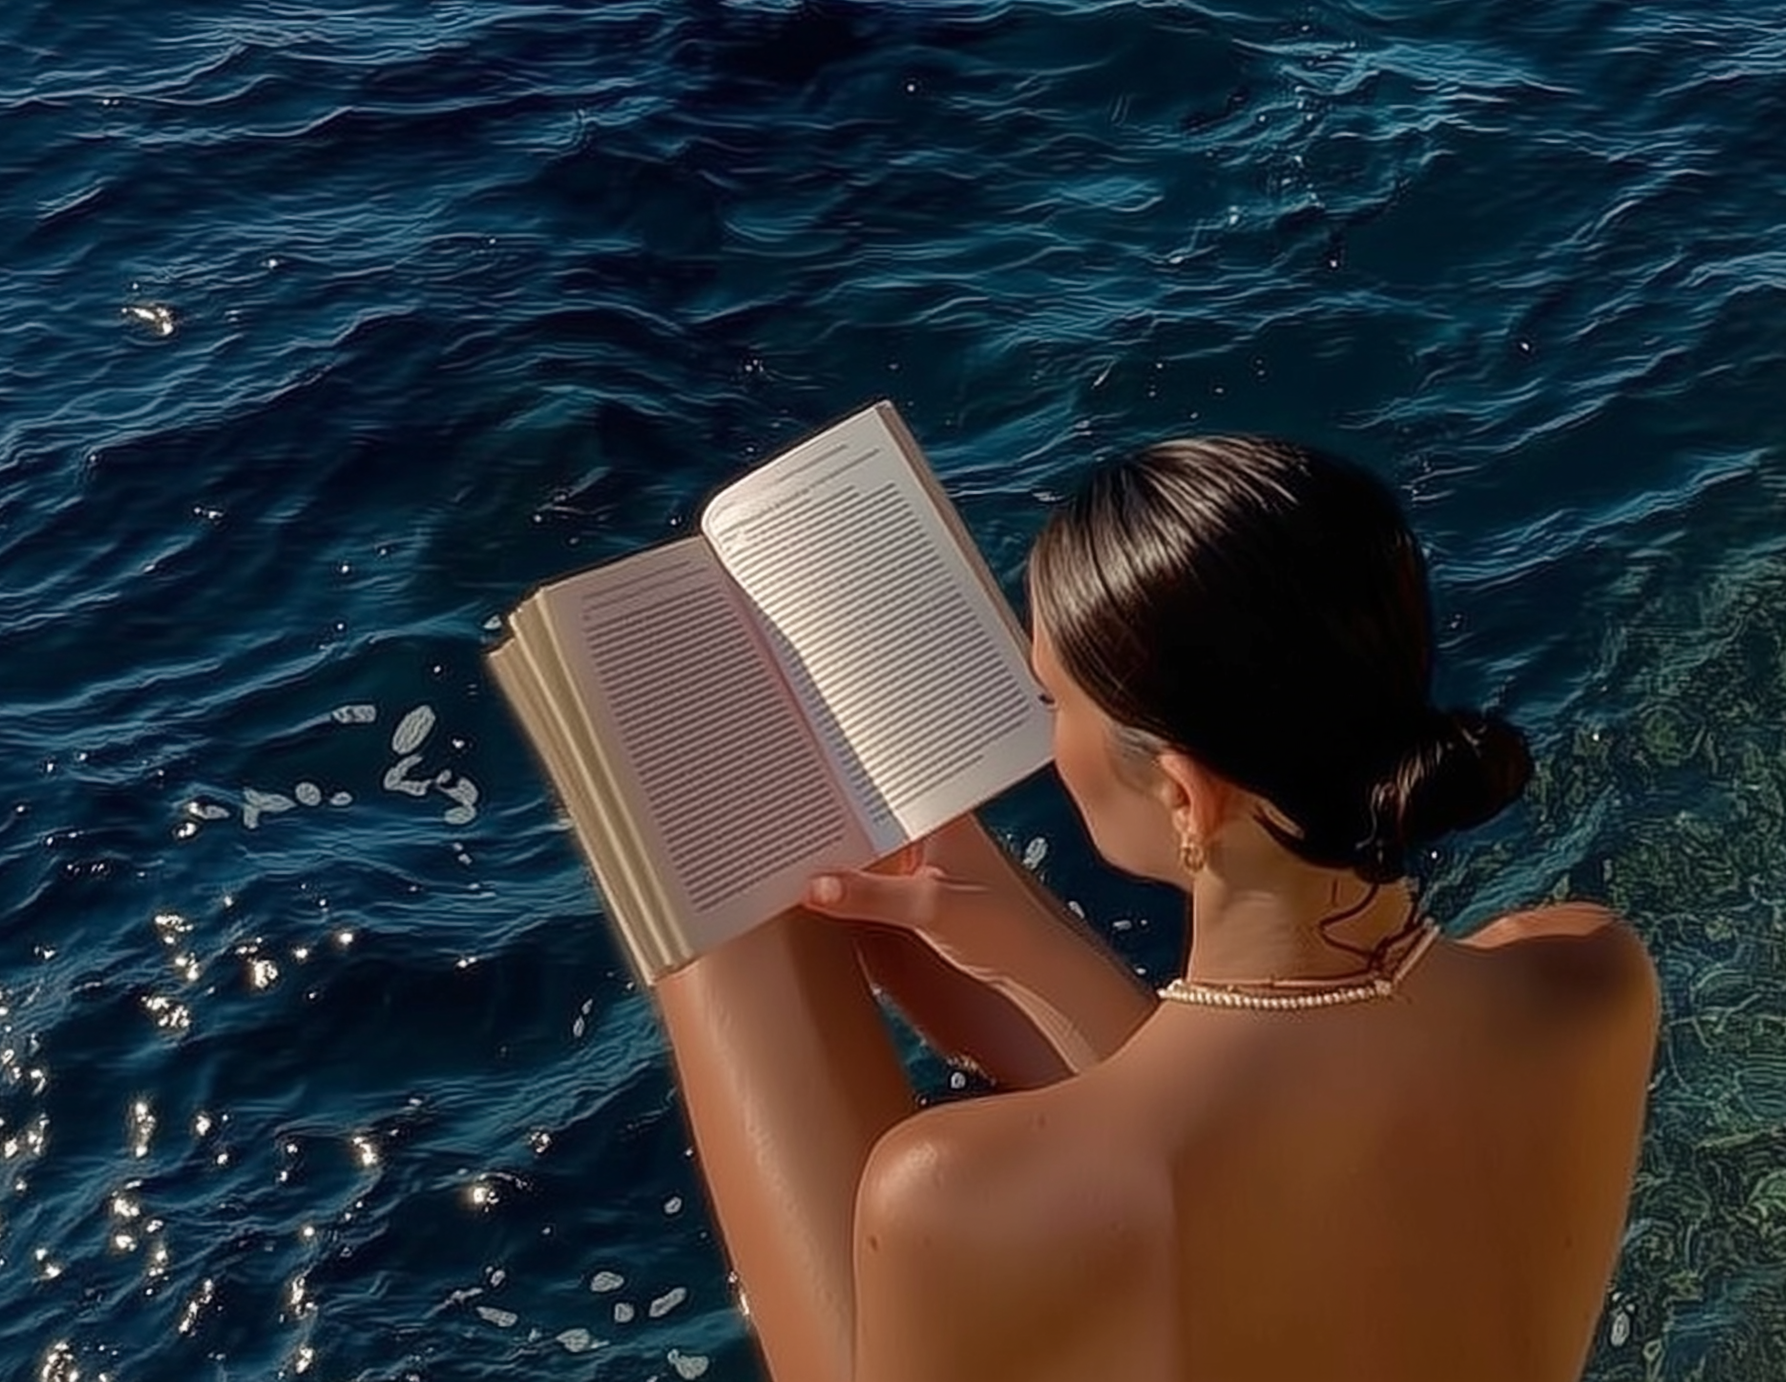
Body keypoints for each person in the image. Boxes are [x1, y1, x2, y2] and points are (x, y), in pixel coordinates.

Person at [654, 435, 1659, 1382]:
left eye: (1050, 701)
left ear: (1181, 793)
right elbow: (1274, 1203)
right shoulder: (1583, 977)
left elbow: (1194, 1177)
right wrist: (1026, 953)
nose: (1048, 738)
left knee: (730, 923)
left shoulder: (951, 1188)